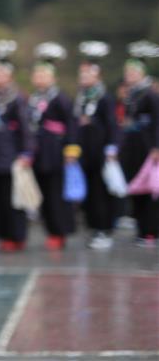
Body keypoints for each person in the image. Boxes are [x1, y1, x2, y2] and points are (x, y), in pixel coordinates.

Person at [0, 40, 34, 252]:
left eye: (1, 74)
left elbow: (25, 128)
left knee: (13, 199)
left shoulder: (17, 99)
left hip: (10, 156)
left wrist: (26, 153)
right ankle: (1, 234)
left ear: (10, 77)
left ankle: (16, 235)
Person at [28, 42, 79, 251]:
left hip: (55, 152)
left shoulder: (60, 98)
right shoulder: (34, 99)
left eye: (44, 75)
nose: (39, 78)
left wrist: (71, 149)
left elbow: (71, 124)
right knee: (44, 195)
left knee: (56, 193)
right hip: (38, 153)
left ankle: (60, 231)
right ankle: (50, 230)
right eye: (37, 75)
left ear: (53, 78)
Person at [74, 41, 121, 250]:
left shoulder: (104, 98)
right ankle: (93, 227)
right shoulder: (81, 98)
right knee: (90, 193)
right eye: (81, 74)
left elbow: (112, 124)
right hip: (85, 152)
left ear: (97, 76)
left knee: (101, 191)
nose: (83, 77)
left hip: (100, 152)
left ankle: (104, 229)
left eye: (87, 74)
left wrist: (112, 147)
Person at [119, 41, 159, 247]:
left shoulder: (150, 94)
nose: (129, 75)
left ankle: (151, 230)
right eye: (128, 72)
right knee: (136, 186)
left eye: (133, 72)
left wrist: (156, 147)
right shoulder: (131, 94)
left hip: (147, 146)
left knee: (150, 188)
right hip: (132, 145)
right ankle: (142, 228)